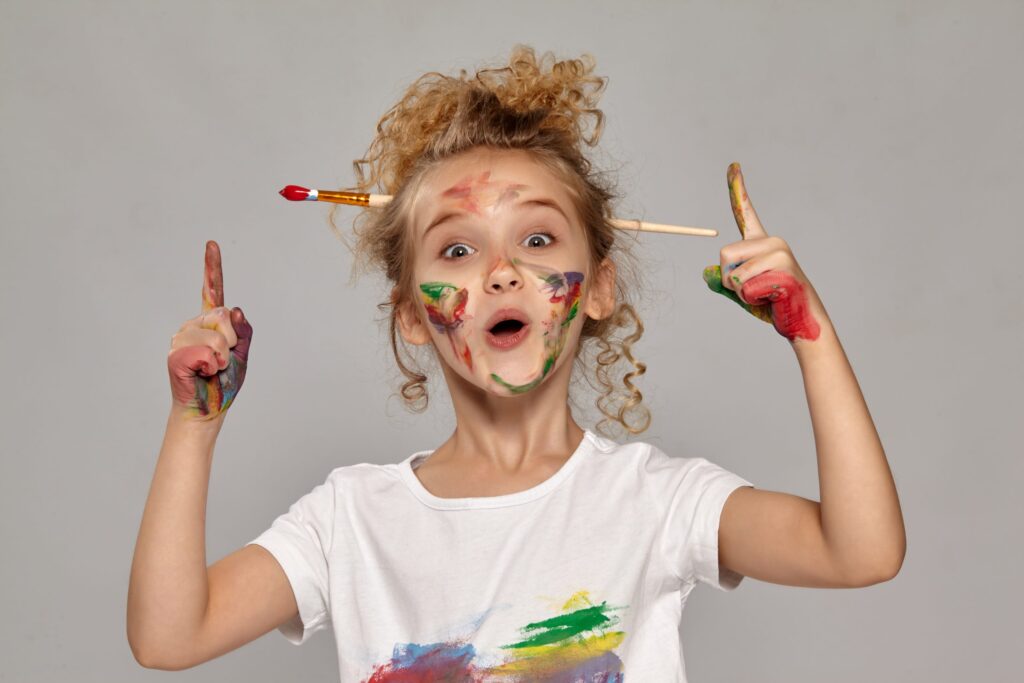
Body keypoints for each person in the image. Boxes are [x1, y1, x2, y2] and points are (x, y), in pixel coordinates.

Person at [127, 45, 906, 681]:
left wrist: (814, 336)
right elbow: (168, 635)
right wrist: (193, 424)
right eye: (458, 248)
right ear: (412, 311)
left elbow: (862, 550)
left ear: (598, 286)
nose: (500, 270)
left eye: (537, 240)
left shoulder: (656, 502)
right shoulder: (350, 519)